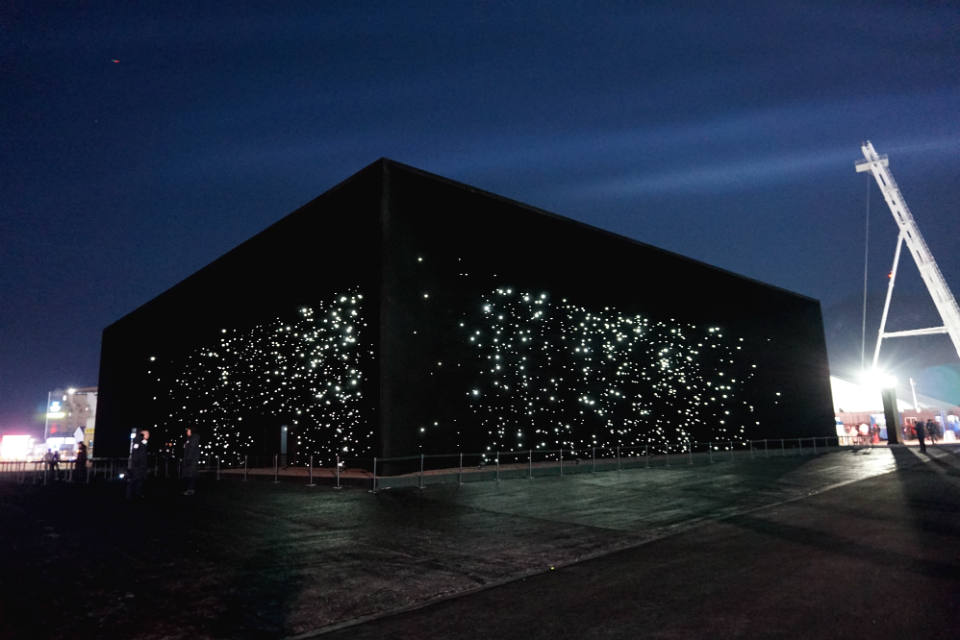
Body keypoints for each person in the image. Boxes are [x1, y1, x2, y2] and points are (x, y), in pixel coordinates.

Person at [126, 429, 150, 500]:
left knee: (140, 481)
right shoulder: (137, 441)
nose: (148, 435)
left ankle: (138, 494)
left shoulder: (143, 442)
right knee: (134, 480)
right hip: (137, 466)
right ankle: (129, 496)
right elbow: (135, 454)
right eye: (147, 434)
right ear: (143, 434)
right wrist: (137, 464)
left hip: (142, 466)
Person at [181, 427, 200, 495]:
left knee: (191, 475)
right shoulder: (189, 438)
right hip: (190, 459)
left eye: (188, 430)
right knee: (189, 475)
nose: (187, 432)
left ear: (191, 431)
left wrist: (188, 459)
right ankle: (189, 489)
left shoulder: (194, 438)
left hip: (192, 460)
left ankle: (190, 490)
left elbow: (191, 449)